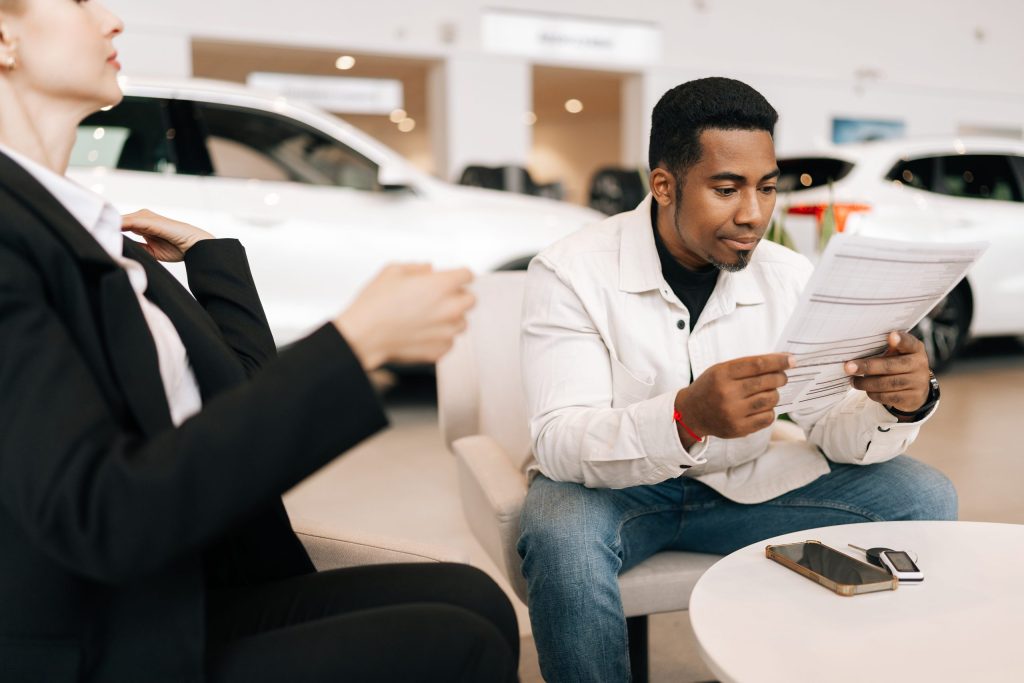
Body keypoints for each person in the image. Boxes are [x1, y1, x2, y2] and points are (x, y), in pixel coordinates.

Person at [0, 1, 517, 681]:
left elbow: (230, 394)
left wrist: (214, 256)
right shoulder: (16, 238)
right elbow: (102, 515)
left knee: (478, 598)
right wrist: (356, 342)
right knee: (458, 641)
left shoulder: (97, 232)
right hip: (104, 637)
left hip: (184, 587)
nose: (113, 20)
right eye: (77, 1)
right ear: (4, 36)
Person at [517, 76, 954, 681]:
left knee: (925, 496)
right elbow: (559, 441)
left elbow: (831, 433)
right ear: (664, 185)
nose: (753, 215)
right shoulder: (570, 273)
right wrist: (684, 417)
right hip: (612, 494)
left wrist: (900, 405)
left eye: (766, 188)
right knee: (558, 533)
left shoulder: (786, 274)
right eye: (726, 189)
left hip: (743, 486)